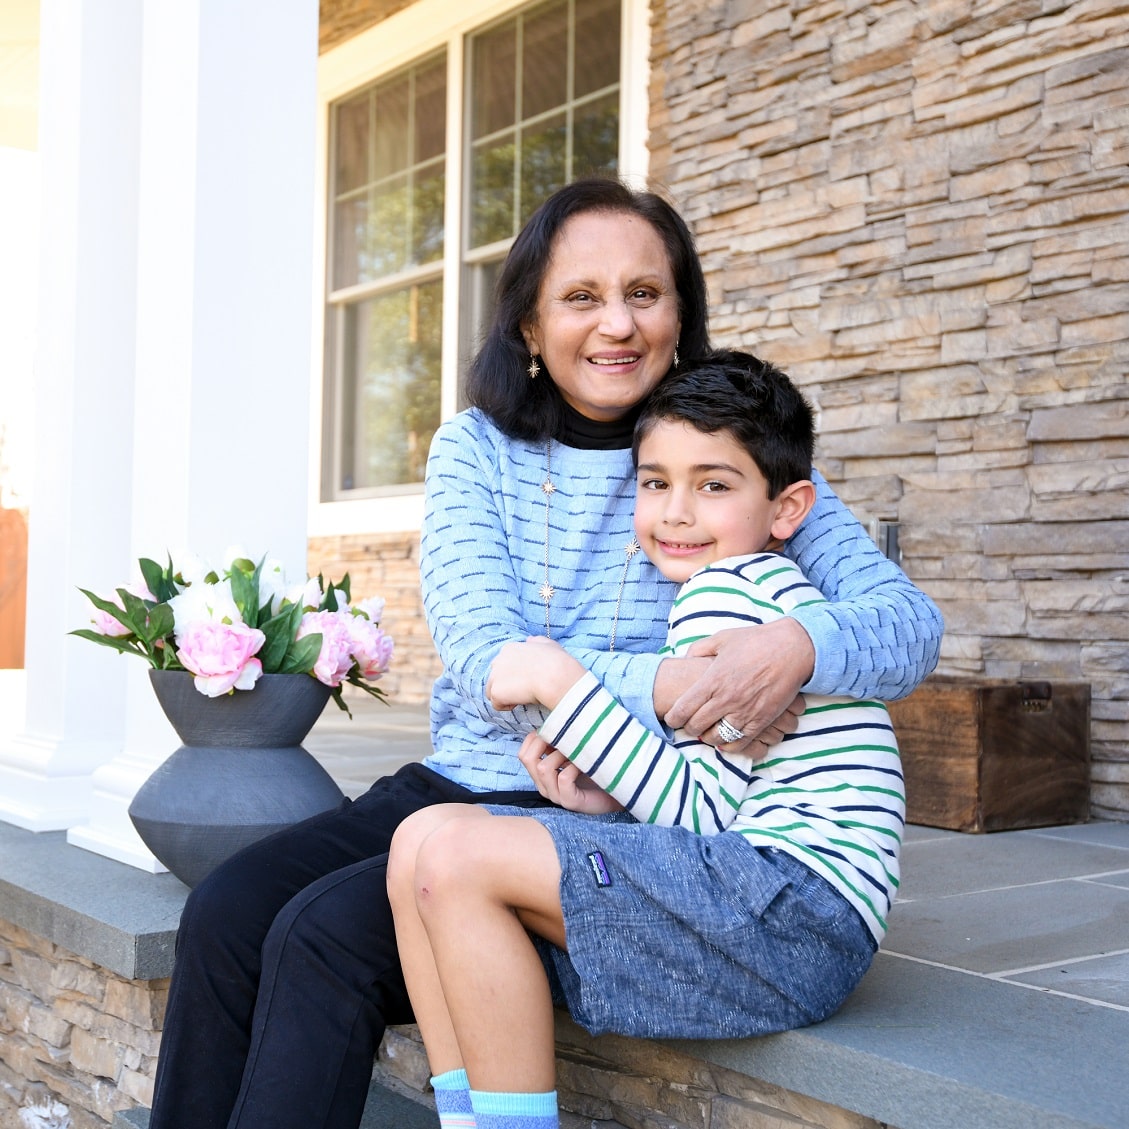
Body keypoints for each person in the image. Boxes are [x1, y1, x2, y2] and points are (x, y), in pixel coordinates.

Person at [147, 179, 942, 1129]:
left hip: (626, 806)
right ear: (528, 322)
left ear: (681, 313)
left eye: (644, 294)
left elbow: (904, 626)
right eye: (581, 297)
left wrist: (792, 646)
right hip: (465, 777)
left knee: (322, 937)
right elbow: (489, 662)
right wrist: (685, 679)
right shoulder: (475, 451)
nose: (616, 324)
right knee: (227, 913)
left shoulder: (730, 456)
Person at [385, 349, 906, 1129]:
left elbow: (696, 817)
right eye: (655, 482)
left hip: (797, 915)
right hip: (761, 891)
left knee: (452, 853)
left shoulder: (731, 595)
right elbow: (710, 798)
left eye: (714, 485)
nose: (676, 513)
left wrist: (561, 682)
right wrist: (604, 788)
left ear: (787, 508)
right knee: (420, 835)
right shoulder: (738, 589)